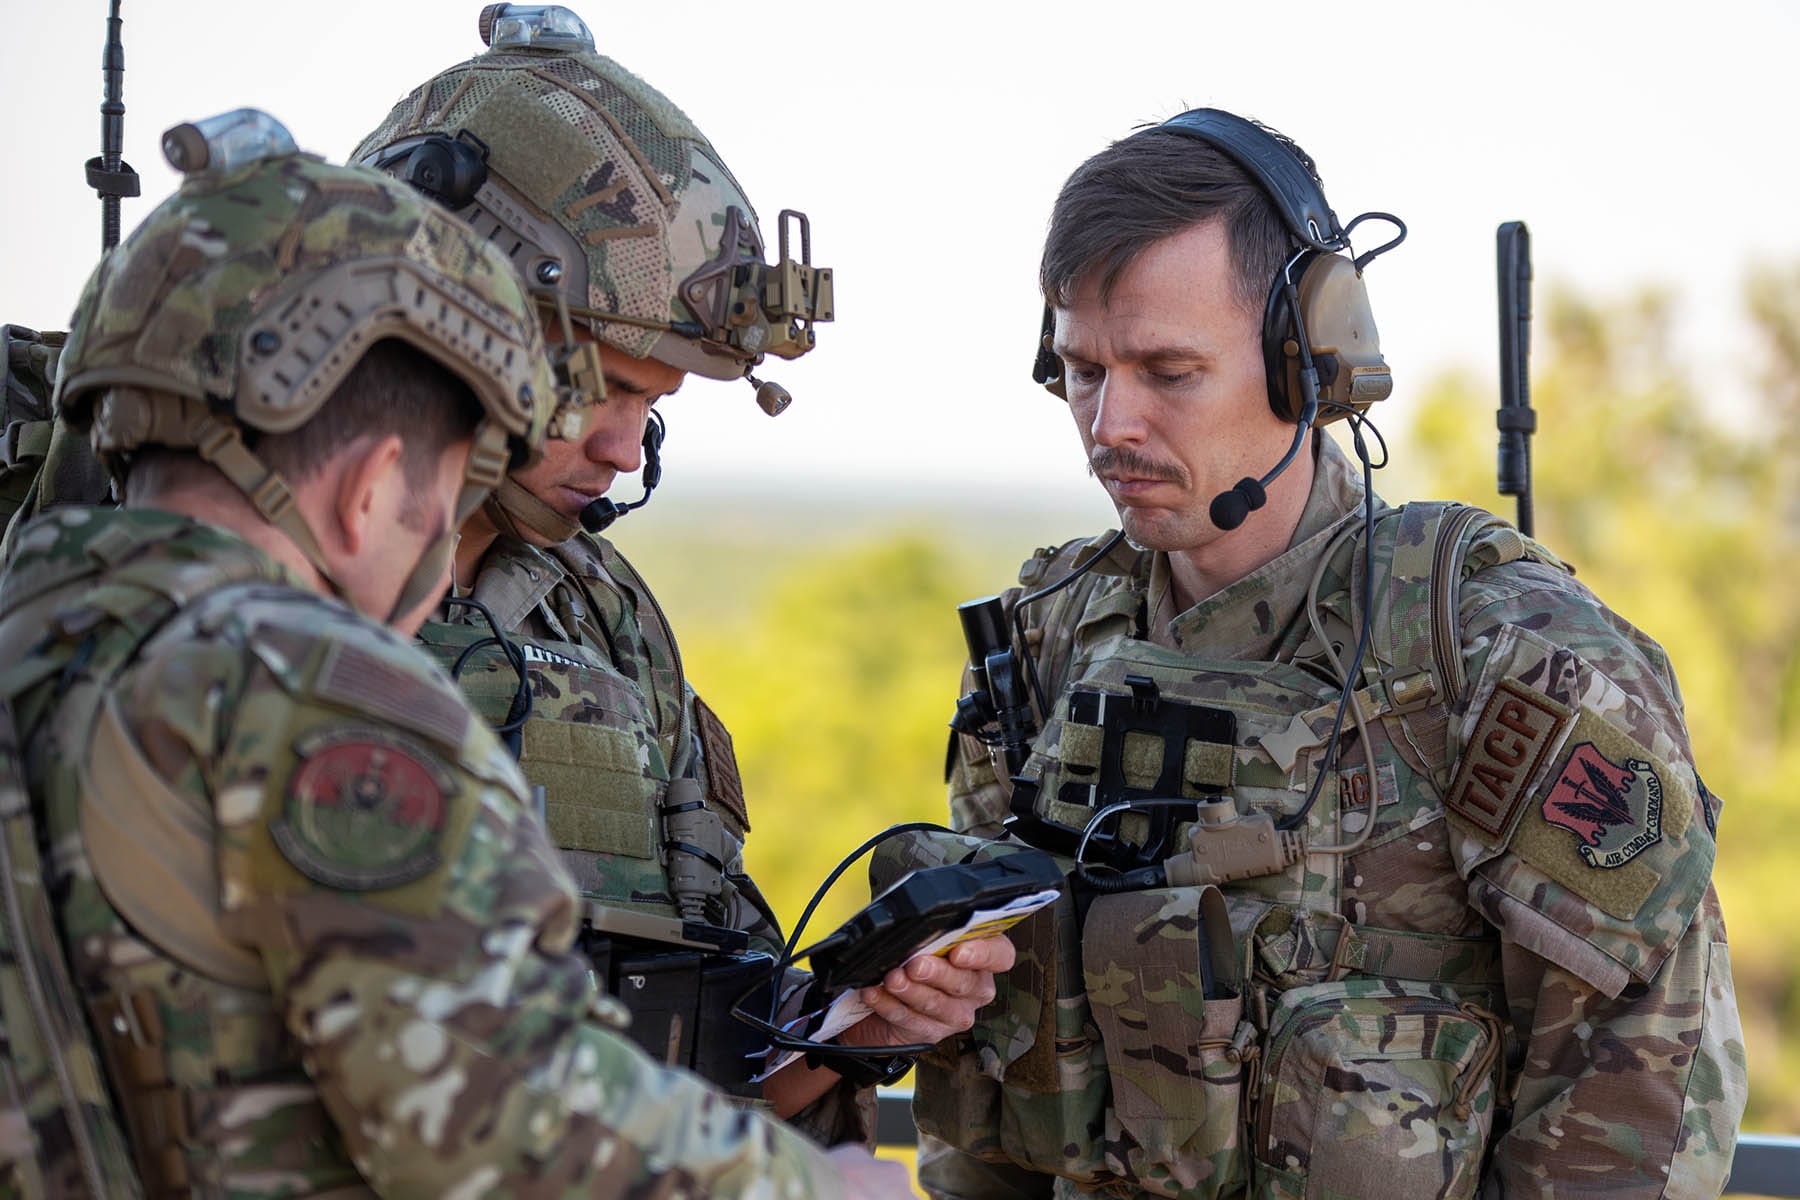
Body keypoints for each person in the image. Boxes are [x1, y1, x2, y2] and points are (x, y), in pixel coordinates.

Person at [0, 110, 913, 1198]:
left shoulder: (38, 626)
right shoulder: (315, 702)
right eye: (449, 495)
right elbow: (501, 1116)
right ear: (371, 486)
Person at [913, 109, 1747, 1199]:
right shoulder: (1048, 636)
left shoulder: (1501, 652)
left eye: (1169, 371)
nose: (1111, 424)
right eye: (1081, 371)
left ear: (1307, 363)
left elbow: (1635, 1100)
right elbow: (993, 1084)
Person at [349, 3, 1014, 1143]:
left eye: (651, 407)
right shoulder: (217, 579)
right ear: (450, 317)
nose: (620, 448)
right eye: (602, 386)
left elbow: (721, 1086)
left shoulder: (599, 616)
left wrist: (859, 1027)